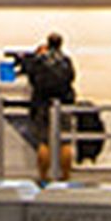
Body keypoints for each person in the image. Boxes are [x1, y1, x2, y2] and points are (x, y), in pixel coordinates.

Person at [18, 31, 79, 184]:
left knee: (44, 143)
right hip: (63, 105)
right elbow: (71, 78)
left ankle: (44, 176)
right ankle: (65, 176)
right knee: (65, 142)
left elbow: (32, 79)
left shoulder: (39, 60)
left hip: (43, 105)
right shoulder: (65, 60)